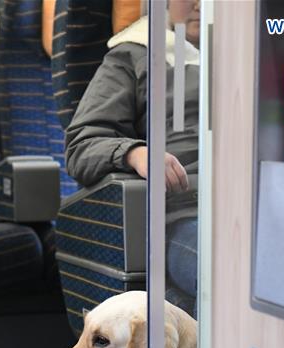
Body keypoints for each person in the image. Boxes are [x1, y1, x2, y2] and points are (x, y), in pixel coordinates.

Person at [65, 0, 201, 315]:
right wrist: (134, 153)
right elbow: (81, 146)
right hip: (184, 213)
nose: (199, 4)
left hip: (258, 208)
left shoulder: (259, 53)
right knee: (232, 273)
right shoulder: (136, 55)